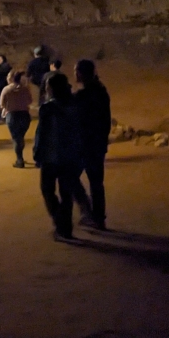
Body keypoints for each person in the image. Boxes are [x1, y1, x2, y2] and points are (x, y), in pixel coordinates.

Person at [33, 73, 83, 240]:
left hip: (51, 156)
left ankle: (60, 221)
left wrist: (37, 153)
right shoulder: (75, 105)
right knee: (66, 193)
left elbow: (42, 133)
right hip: (70, 156)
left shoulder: (48, 108)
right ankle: (66, 228)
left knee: (47, 190)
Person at [73, 59, 111, 230]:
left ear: (81, 73)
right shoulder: (101, 91)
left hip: (84, 144)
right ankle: (98, 217)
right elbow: (105, 121)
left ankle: (87, 210)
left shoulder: (84, 96)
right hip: (97, 144)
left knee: (70, 177)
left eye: (76, 71)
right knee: (96, 182)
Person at [1, 70, 33, 167]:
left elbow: (1, 104)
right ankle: (20, 157)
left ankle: (19, 159)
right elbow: (30, 101)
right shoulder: (25, 89)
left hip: (12, 116)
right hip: (24, 115)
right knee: (20, 137)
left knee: (16, 138)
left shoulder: (6, 89)